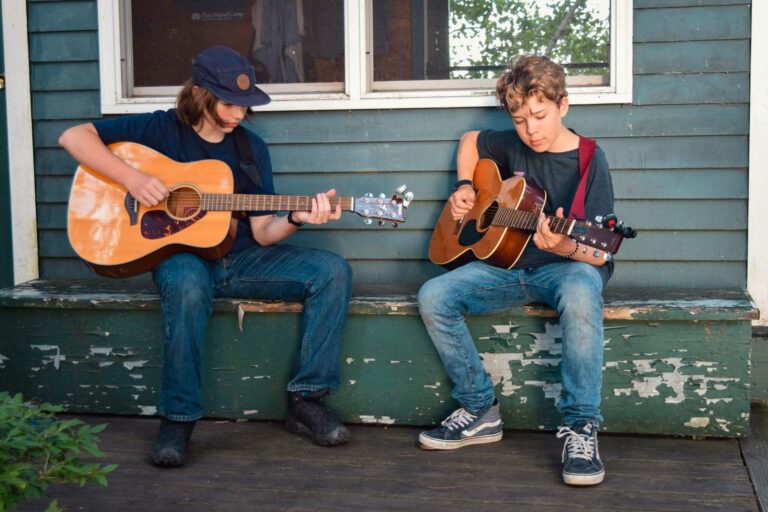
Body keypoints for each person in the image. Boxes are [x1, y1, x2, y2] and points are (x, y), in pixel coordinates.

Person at [59, 46, 353, 467]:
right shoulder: (160, 129)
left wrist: (296, 217)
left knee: (332, 270)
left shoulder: (251, 150)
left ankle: (307, 401)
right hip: (184, 260)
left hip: (243, 260)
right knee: (186, 283)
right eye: (229, 103)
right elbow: (73, 136)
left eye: (245, 105)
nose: (238, 114)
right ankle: (178, 421)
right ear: (200, 94)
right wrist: (134, 179)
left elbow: (264, 233)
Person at [417, 55, 615, 486]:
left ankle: (581, 426)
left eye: (540, 116)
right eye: (521, 119)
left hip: (566, 269)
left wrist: (565, 244)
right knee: (433, 296)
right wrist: (465, 186)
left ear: (564, 105)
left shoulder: (589, 160)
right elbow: (471, 139)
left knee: (583, 287)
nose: (531, 130)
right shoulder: (511, 144)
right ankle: (479, 408)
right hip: (506, 268)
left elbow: (600, 254)